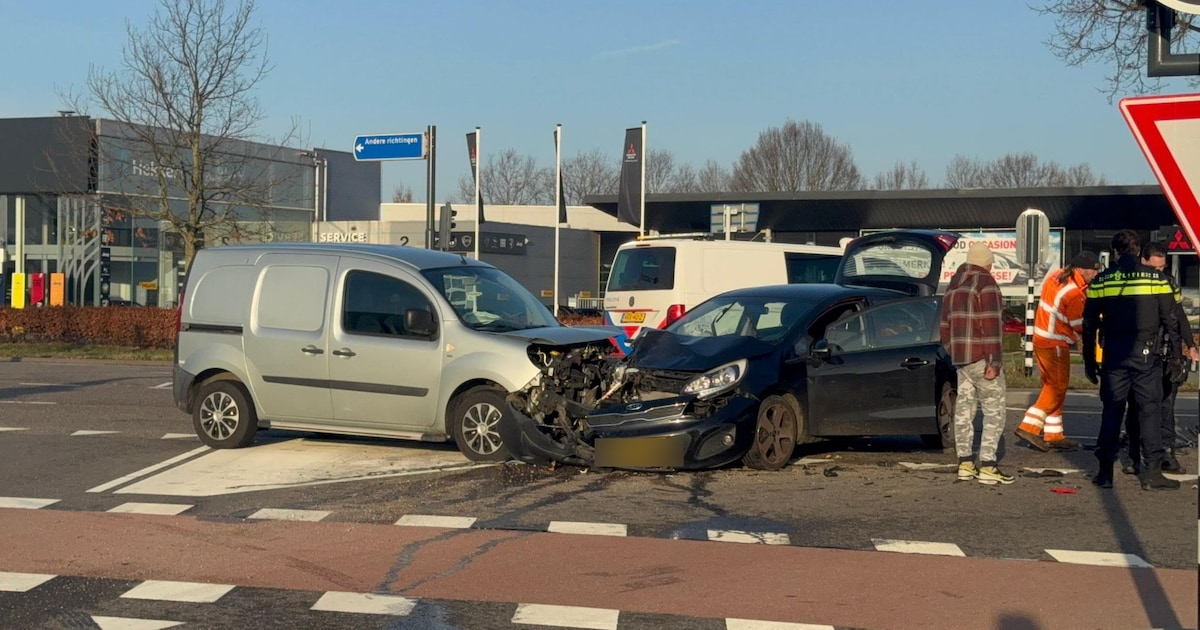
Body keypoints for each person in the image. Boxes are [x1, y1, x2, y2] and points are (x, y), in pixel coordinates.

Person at [1082, 230, 1181, 490]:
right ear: (1138, 251)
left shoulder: (1101, 281)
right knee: (1149, 412)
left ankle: (1105, 473)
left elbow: (1089, 325)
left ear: (1115, 252)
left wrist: (1089, 360)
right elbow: (1171, 321)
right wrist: (1177, 357)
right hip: (1147, 356)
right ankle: (1153, 473)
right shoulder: (1157, 279)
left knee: (1112, 412)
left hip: (1114, 355)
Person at [1120, 241, 1200, 475]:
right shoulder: (1131, 282)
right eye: (1154, 267)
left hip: (1165, 350)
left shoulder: (1168, 283)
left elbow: (1178, 315)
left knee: (1167, 403)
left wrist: (1190, 345)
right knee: (1138, 405)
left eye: (1162, 268)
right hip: (1139, 352)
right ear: (1143, 261)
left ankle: (1166, 452)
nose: (1158, 272)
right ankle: (1134, 454)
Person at [1015, 251, 1104, 452]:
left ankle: (1054, 434)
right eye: (1092, 271)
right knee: (1056, 388)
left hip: (1042, 339)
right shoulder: (1074, 293)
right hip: (1055, 342)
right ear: (1081, 270)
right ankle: (1028, 427)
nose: (1094, 275)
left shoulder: (1057, 276)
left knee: (1051, 386)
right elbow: (1079, 324)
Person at [940, 242, 1013, 485]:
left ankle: (965, 463)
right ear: (986, 263)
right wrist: (994, 362)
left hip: (961, 359)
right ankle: (988, 466)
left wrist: (954, 351)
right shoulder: (986, 283)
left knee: (964, 410)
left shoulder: (953, 286)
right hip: (982, 358)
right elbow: (991, 326)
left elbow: (944, 327)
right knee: (994, 411)